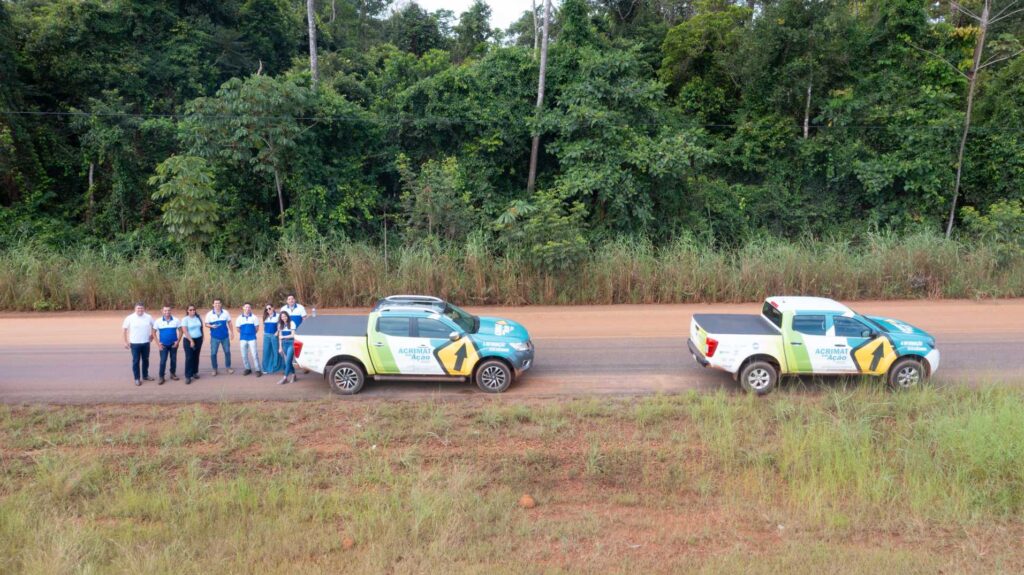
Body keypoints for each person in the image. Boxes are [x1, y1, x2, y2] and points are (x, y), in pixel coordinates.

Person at [122, 302, 155, 386]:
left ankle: (145, 375)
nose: (140, 310)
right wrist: (125, 341)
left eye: (141, 308)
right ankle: (137, 378)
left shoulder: (148, 317)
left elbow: (154, 326)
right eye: (138, 308)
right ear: (135, 309)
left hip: (146, 343)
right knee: (136, 361)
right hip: (135, 343)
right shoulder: (129, 318)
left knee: (145, 360)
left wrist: (152, 335)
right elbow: (124, 330)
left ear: (144, 309)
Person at [154, 305, 182, 385]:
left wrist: (178, 342)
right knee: (163, 361)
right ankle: (161, 376)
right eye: (165, 310)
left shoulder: (176, 320)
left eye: (168, 310)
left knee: (173, 360)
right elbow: (153, 332)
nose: (167, 312)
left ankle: (172, 374)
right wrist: (158, 343)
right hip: (163, 345)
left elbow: (180, 331)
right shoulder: (158, 321)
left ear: (171, 311)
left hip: (174, 344)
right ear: (162, 311)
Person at [205, 299, 234, 375]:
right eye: (215, 303)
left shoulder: (225, 313)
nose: (217, 304)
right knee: (213, 353)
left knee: (227, 352)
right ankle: (214, 369)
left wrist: (232, 332)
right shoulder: (209, 314)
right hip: (214, 337)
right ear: (213, 304)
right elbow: (206, 324)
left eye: (218, 303)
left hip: (225, 337)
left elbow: (230, 322)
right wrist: (211, 326)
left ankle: (228, 367)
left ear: (221, 304)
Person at [235, 303, 262, 377]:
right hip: (243, 339)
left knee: (254, 354)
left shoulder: (254, 317)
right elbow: (238, 329)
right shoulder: (239, 318)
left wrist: (251, 334)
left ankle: (258, 370)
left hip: (252, 338)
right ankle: (247, 368)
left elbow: (256, 328)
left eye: (249, 307)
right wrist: (244, 333)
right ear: (243, 308)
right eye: (246, 307)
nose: (247, 308)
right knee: (244, 355)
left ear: (250, 308)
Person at [180, 304, 204, 385]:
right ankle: (188, 376)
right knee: (189, 357)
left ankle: (195, 372)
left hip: (198, 339)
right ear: (187, 311)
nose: (192, 311)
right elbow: (184, 330)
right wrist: (191, 340)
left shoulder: (198, 317)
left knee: (196, 356)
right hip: (188, 340)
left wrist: (202, 336)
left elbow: (201, 328)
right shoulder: (185, 319)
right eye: (190, 310)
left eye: (193, 309)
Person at [261, 304, 284, 374]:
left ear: (273, 308)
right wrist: (264, 333)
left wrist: (277, 333)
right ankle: (265, 368)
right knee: (266, 351)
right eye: (266, 309)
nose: (268, 310)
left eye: (269, 308)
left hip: (274, 336)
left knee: (276, 350)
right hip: (266, 336)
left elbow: (280, 326)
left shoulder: (277, 316)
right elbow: (264, 326)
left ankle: (277, 366)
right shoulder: (265, 317)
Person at [277, 310, 297, 385]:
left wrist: (283, 336)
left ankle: (285, 378)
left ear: (287, 316)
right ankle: (294, 375)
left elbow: (293, 335)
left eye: (285, 316)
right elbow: (280, 337)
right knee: (288, 361)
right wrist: (280, 347)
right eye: (282, 317)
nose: (284, 318)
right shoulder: (280, 325)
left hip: (291, 343)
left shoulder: (292, 323)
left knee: (288, 360)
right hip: (284, 344)